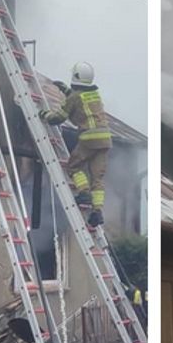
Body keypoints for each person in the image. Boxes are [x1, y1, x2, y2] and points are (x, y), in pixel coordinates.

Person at [39, 62, 113, 229]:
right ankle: (97, 211)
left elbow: (59, 118)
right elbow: (82, 101)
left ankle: (84, 193)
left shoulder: (74, 98)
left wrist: (44, 114)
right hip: (105, 139)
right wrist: (65, 90)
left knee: (73, 166)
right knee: (98, 178)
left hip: (90, 137)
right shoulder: (95, 94)